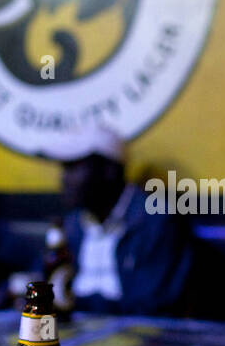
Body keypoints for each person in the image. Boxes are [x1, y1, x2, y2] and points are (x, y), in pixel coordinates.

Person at [47, 129, 193, 315]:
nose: (63, 178)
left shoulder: (156, 220)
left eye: (73, 167)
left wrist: (74, 303)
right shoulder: (73, 223)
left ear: (109, 171)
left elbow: (153, 304)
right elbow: (48, 277)